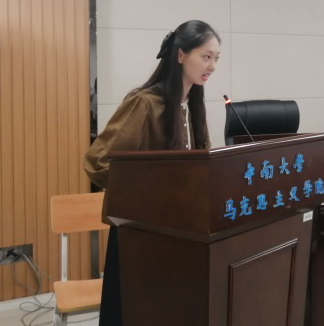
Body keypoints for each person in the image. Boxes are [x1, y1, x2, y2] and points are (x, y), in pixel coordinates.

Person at [84, 20, 221, 326]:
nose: (212, 66)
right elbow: (97, 161)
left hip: (181, 231)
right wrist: (151, 195)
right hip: (141, 234)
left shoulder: (193, 105)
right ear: (181, 55)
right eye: (206, 56)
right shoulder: (145, 103)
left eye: (216, 58)